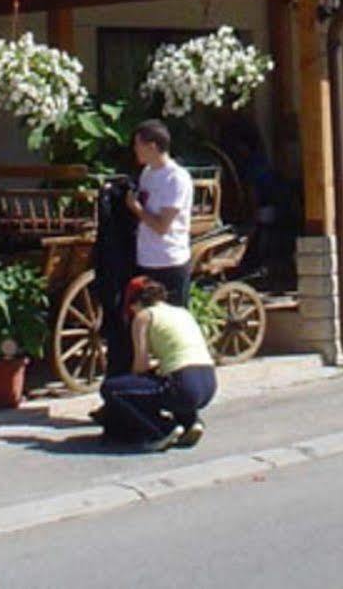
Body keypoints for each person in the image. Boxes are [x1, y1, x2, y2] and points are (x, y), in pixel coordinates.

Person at [96, 277, 216, 450]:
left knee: (112, 389)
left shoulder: (143, 317)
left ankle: (162, 430)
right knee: (167, 380)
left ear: (134, 303)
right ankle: (190, 421)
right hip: (208, 383)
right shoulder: (181, 311)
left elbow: (140, 367)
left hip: (184, 385)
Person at [125, 119, 194, 305]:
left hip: (169, 261)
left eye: (138, 145)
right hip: (147, 259)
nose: (135, 149)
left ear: (152, 146)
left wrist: (136, 209)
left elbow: (162, 226)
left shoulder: (176, 178)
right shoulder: (147, 173)